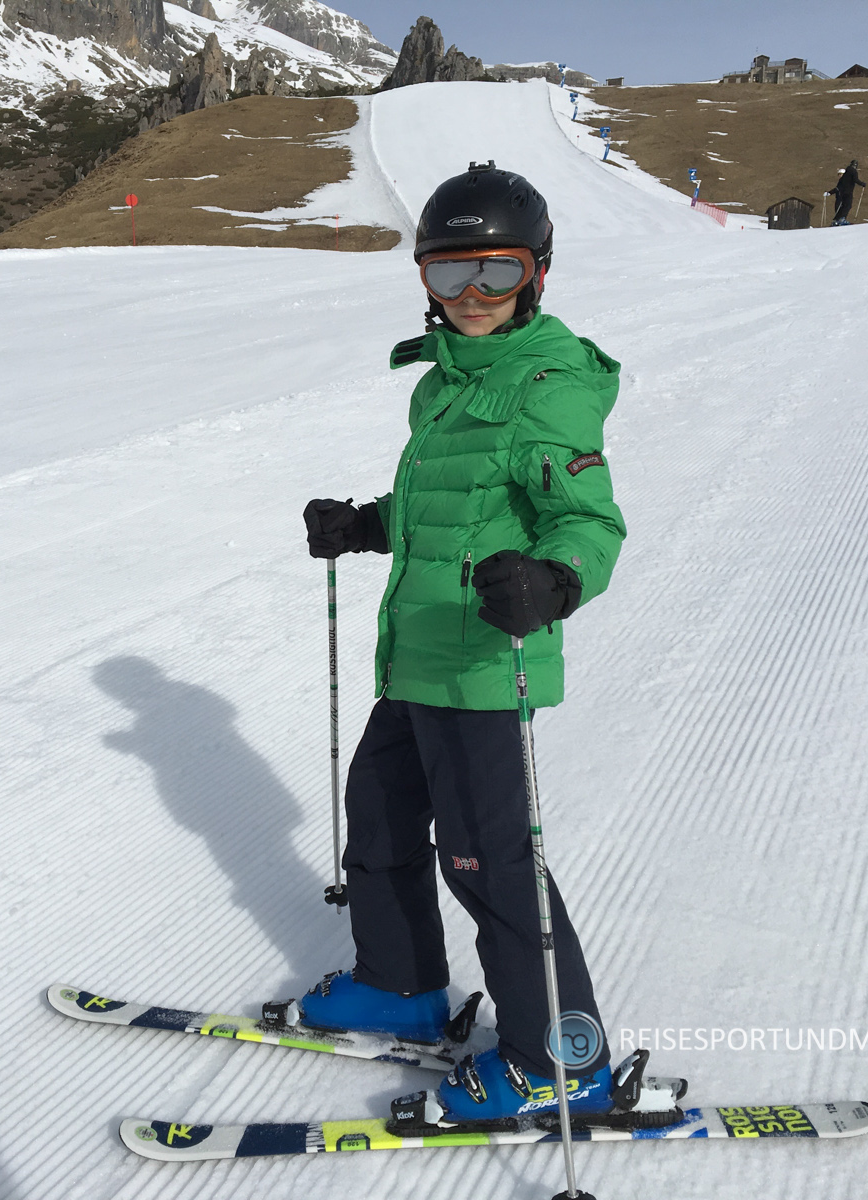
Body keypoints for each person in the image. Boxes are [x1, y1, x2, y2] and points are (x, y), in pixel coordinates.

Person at [297, 162, 628, 1122]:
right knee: (383, 817)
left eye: (496, 272)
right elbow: (442, 505)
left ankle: (559, 1057)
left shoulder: (549, 383)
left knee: (488, 862)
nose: (472, 296)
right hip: (417, 656)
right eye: (449, 276)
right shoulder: (442, 383)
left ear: (536, 273)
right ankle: (399, 982)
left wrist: (554, 581)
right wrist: (364, 523)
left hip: (486, 663)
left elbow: (590, 519)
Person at [827, 159, 865, 225]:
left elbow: (839, 185)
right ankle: (842, 219)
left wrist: (830, 192)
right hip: (848, 192)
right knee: (848, 205)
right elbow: (855, 180)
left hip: (842, 193)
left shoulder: (846, 173)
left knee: (842, 206)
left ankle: (837, 220)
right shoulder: (853, 171)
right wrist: (862, 184)